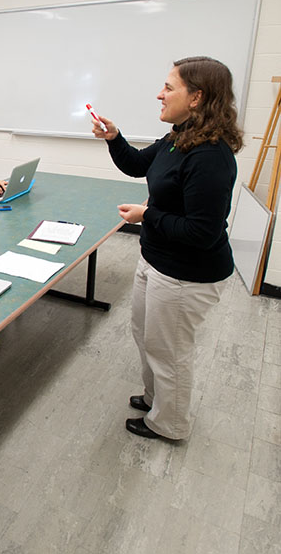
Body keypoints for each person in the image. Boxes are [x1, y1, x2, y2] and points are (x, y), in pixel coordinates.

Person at [93, 56, 242, 440]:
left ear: (196, 98)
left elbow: (201, 233)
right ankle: (156, 397)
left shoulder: (209, 155)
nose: (160, 94)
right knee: (147, 335)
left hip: (186, 274)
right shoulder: (180, 135)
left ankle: (170, 424)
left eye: (169, 87)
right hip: (158, 261)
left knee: (170, 352)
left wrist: (148, 215)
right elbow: (137, 164)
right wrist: (114, 137)